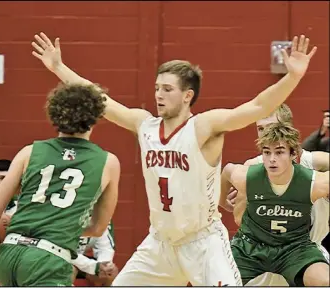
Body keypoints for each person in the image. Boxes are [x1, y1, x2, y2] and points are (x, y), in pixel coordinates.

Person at [32, 31, 316, 286]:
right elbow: (101, 101)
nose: (158, 94)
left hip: (202, 242)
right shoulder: (144, 124)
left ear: (187, 95)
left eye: (167, 89)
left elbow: (256, 106)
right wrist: (58, 67)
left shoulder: (203, 127)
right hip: (161, 243)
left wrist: (292, 77)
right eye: (157, 88)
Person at [0, 83, 121, 286]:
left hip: (9, 253)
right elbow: (97, 228)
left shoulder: (29, 152)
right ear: (96, 116)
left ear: (55, 114)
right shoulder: (108, 162)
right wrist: (57, 226)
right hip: (48, 259)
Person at [226, 103, 329, 286]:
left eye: (271, 127)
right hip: (260, 254)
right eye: (260, 129)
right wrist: (232, 203)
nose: (265, 133)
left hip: (303, 253)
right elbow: (238, 217)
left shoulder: (316, 162)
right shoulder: (252, 169)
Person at [72, 222, 118, 286]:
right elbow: (64, 252)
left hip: (82, 260)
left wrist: (103, 268)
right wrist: (94, 267)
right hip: (60, 258)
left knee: (111, 272)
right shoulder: (66, 216)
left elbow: (105, 248)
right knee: (70, 269)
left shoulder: (102, 216)